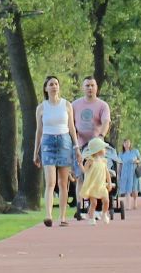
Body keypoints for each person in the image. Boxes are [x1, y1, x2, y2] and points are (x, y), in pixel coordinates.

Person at [34, 75, 77, 226]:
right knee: (50, 182)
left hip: (64, 142)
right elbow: (39, 131)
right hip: (48, 143)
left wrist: (76, 147)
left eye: (56, 84)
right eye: (51, 84)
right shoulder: (41, 107)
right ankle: (48, 215)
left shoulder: (67, 105)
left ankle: (63, 217)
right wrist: (35, 151)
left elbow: (72, 127)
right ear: (46, 88)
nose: (54, 86)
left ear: (59, 87)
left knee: (63, 182)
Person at [70, 77, 111, 219]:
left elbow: (106, 122)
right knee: (81, 176)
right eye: (87, 85)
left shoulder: (103, 105)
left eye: (92, 85)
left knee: (97, 175)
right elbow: (70, 123)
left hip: (96, 146)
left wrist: (101, 136)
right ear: (83, 88)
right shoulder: (75, 105)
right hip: (80, 144)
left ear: (96, 88)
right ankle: (80, 207)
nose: (90, 88)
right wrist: (74, 139)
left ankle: (97, 208)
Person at [78, 135, 111, 224]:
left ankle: (104, 214)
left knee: (106, 201)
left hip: (102, 185)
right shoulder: (90, 161)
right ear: (98, 150)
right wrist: (80, 164)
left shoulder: (103, 161)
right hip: (93, 186)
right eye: (103, 148)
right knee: (94, 203)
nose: (105, 150)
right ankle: (91, 218)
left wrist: (109, 183)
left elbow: (107, 173)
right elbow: (85, 171)